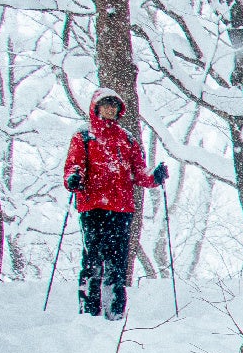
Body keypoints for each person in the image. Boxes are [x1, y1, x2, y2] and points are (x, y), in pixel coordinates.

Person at [63, 88, 167, 320]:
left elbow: (139, 173)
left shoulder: (127, 138)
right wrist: (74, 179)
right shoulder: (84, 136)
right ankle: (89, 311)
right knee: (92, 259)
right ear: (96, 107)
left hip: (121, 210)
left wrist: (155, 177)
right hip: (93, 207)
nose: (110, 109)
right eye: (106, 104)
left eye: (114, 105)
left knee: (117, 261)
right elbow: (73, 166)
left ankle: (115, 312)